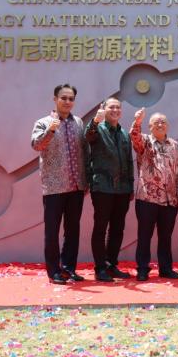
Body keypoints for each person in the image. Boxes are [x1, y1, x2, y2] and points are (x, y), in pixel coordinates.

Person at [31, 84, 88, 285]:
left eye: (71, 98)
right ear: (55, 99)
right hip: (54, 186)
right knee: (52, 231)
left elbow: (84, 152)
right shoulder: (43, 122)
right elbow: (37, 145)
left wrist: (85, 180)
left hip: (76, 186)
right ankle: (54, 271)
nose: (67, 102)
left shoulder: (79, 123)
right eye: (63, 98)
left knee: (73, 230)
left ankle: (69, 268)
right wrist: (51, 130)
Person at [130, 108, 178, 281]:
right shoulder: (145, 142)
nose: (160, 124)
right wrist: (137, 121)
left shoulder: (175, 145)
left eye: (163, 122)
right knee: (144, 235)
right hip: (147, 198)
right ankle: (142, 269)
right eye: (156, 122)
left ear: (167, 126)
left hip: (170, 199)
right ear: (150, 126)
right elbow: (134, 136)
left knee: (165, 237)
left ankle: (166, 268)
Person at [85, 98, 134, 282]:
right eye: (111, 107)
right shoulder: (98, 128)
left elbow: (129, 161)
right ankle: (100, 268)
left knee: (117, 229)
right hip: (102, 187)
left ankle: (111, 265)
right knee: (100, 228)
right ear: (104, 109)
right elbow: (88, 136)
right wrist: (95, 120)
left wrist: (130, 184)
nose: (115, 110)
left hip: (122, 188)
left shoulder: (124, 133)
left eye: (118, 107)